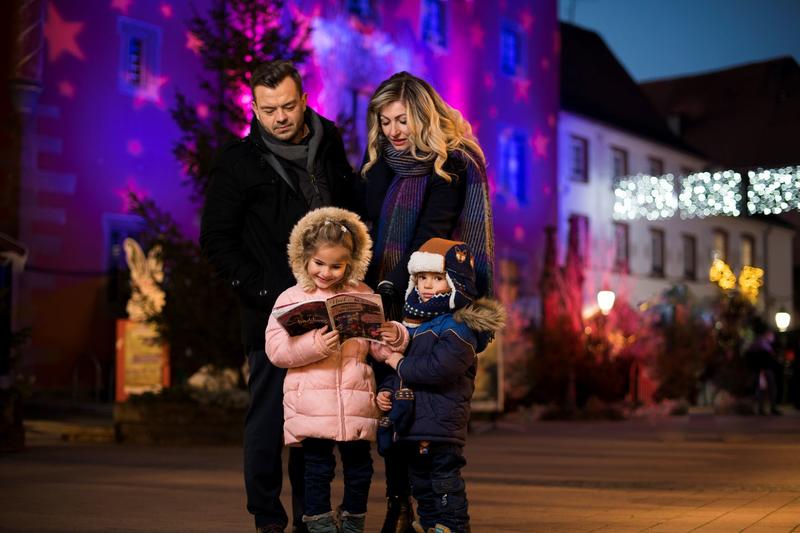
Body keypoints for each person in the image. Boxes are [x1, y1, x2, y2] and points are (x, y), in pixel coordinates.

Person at [199, 60, 355, 533]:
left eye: (288, 106)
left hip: (327, 310)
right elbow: (216, 241)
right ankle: (267, 519)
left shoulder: (329, 147)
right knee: (267, 420)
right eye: (268, 110)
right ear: (254, 109)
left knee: (314, 425)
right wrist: (266, 290)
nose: (280, 117)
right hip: (271, 313)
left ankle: (311, 517)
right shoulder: (237, 162)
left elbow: (352, 216)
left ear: (304, 100)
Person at [356, 71, 495, 533]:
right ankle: (398, 503)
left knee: (417, 411)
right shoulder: (377, 167)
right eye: (385, 121)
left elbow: (430, 237)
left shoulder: (452, 164)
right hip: (375, 295)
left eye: (402, 120)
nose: (393, 131)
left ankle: (436, 513)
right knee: (386, 410)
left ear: (423, 115)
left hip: (422, 301)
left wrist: (392, 289)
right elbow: (366, 230)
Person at [265, 207, 409, 533]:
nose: (326, 273)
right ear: (304, 258)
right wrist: (316, 344)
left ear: (351, 263)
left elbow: (379, 348)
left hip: (357, 401)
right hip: (312, 405)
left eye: (336, 265)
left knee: (360, 469)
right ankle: (319, 525)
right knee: (317, 468)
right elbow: (276, 351)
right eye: (319, 263)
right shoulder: (290, 298)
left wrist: (394, 334)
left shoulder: (363, 295)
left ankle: (353, 521)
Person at [378, 238, 505, 533]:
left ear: (455, 283)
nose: (427, 285)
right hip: (413, 421)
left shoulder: (458, 326)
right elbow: (402, 371)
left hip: (441, 420)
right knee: (421, 483)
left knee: (444, 481)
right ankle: (431, 524)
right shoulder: (414, 325)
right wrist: (386, 390)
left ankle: (452, 526)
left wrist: (396, 362)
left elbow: (438, 370)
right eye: (421, 278)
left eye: (437, 278)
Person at [745, 319, 782, 416]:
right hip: (763, 370)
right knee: (764, 389)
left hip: (763, 369)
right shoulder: (762, 345)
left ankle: (766, 408)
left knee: (765, 389)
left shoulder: (760, 344)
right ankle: (764, 408)